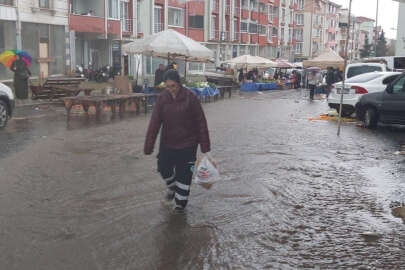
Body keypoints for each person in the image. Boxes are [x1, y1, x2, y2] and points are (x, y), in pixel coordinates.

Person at [144, 69, 211, 212]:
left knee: (184, 177)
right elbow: (155, 123)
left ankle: (180, 208)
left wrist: (205, 148)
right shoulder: (162, 99)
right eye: (167, 87)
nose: (170, 90)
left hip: (188, 146)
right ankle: (172, 187)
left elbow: (201, 122)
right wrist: (149, 145)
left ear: (179, 84)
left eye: (173, 86)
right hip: (168, 144)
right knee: (162, 168)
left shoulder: (191, 98)